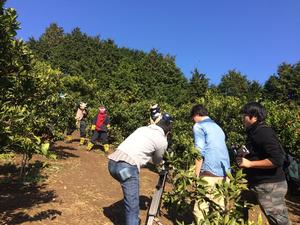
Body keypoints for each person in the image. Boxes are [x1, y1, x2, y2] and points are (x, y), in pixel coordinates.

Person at [107, 113, 173, 225]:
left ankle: (133, 221)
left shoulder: (142, 129)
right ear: (167, 129)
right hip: (125, 168)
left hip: (112, 164)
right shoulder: (162, 140)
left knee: (129, 193)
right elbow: (157, 161)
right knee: (132, 204)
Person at [239, 102, 290, 225]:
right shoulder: (253, 133)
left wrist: (250, 164)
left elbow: (277, 159)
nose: (242, 119)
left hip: (270, 185)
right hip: (255, 183)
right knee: (239, 211)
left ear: (254, 116)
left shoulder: (263, 132)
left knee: (279, 222)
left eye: (245, 115)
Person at [190, 104, 230, 224]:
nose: (193, 120)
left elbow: (199, 152)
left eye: (193, 117)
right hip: (225, 174)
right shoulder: (218, 127)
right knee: (219, 209)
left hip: (209, 173)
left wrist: (196, 175)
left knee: (200, 209)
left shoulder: (199, 126)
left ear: (197, 115)